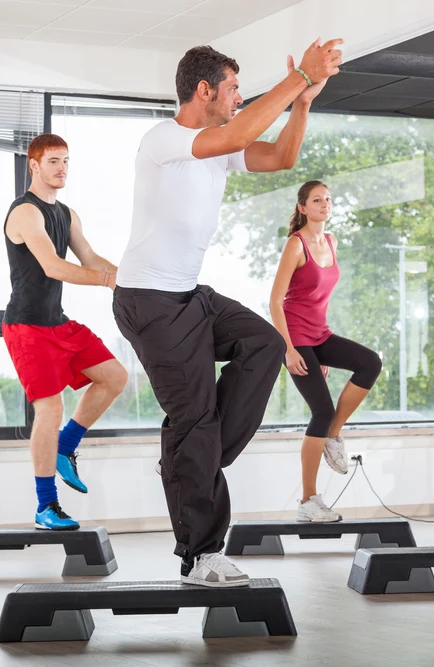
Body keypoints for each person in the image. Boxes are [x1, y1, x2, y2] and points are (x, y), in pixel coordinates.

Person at [113, 40, 342, 587]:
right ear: (204, 90)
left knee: (264, 345)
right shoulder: (165, 139)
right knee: (194, 420)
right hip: (148, 301)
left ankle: (190, 458)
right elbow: (237, 135)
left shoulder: (219, 144)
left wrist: (304, 101)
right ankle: (200, 556)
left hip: (191, 295)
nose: (240, 98)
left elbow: (281, 157)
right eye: (235, 88)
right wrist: (298, 75)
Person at [2, 133, 128, 531]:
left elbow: (89, 257)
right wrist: (108, 281)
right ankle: (46, 506)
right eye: (54, 161)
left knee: (114, 377)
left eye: (66, 161)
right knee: (50, 408)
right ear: (34, 165)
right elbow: (54, 266)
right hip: (26, 326)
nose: (62, 169)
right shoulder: (25, 213)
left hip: (57, 321)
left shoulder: (67, 214)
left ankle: (66, 446)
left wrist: (130, 279)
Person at [269, 180, 382, 523]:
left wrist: (322, 354)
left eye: (328, 199)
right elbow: (275, 301)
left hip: (319, 335)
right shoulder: (296, 244)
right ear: (302, 207)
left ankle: (334, 432)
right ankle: (308, 500)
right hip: (296, 338)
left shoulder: (330, 242)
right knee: (320, 410)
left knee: (369, 363)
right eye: (317, 200)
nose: (325, 204)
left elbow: (318, 298)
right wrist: (289, 350)